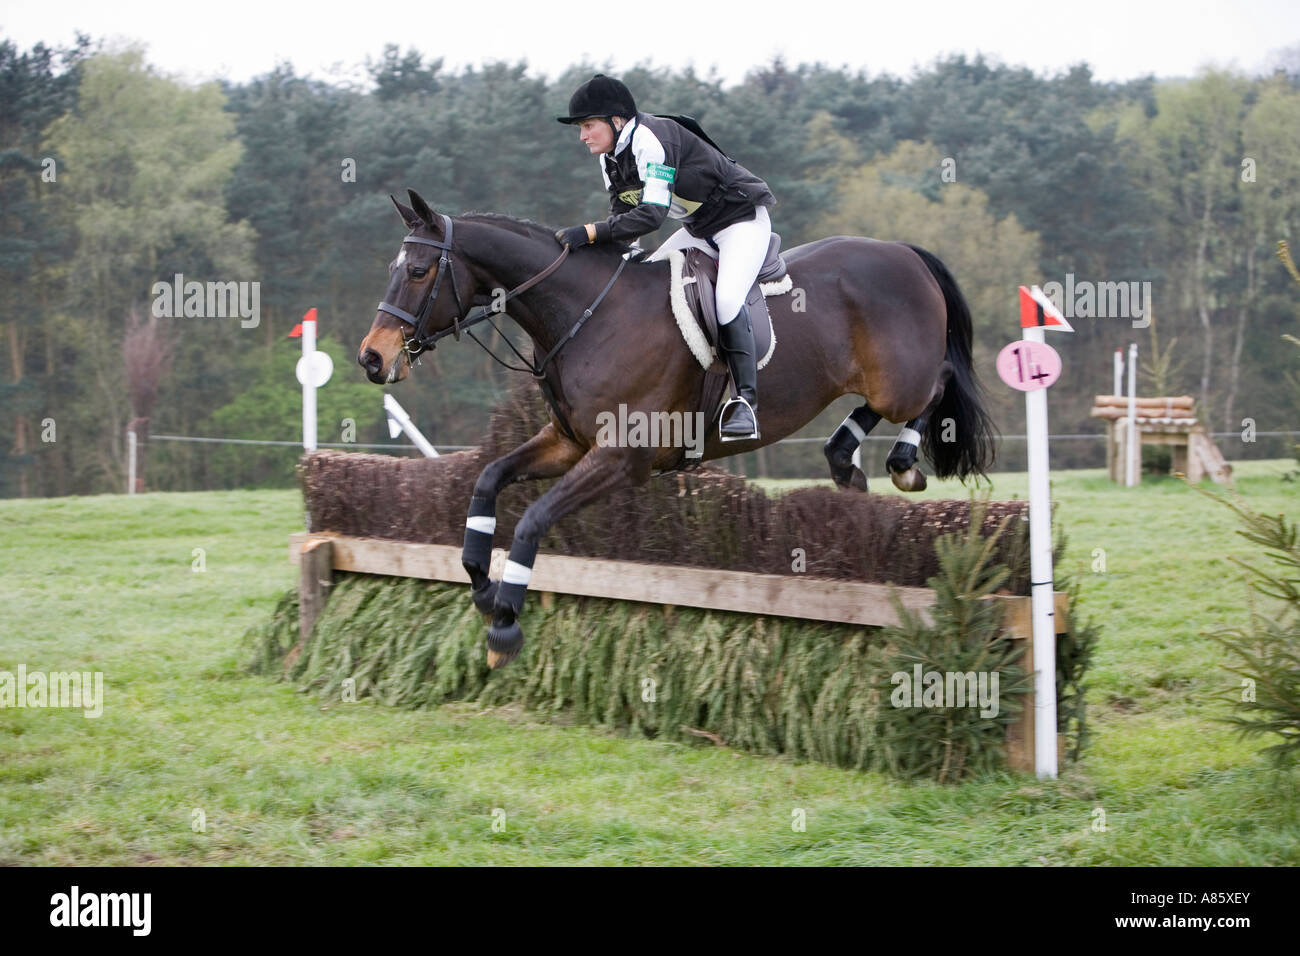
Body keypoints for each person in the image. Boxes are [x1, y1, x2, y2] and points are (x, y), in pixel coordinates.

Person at [555, 74, 776, 441]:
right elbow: (623, 219)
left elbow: (652, 216)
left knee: (724, 301)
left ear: (616, 120)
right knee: (651, 283)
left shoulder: (651, 141)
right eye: (581, 127)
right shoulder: (611, 157)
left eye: (588, 125)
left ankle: (745, 404)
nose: (583, 136)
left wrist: (589, 233)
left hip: (741, 223)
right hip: (700, 227)